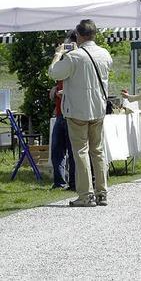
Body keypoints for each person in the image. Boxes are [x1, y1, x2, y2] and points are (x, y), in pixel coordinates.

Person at [49, 19, 113, 207]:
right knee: (98, 151)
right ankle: (102, 193)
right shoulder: (104, 53)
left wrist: (58, 54)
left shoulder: (74, 56)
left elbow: (54, 73)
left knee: (81, 152)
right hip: (98, 108)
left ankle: (86, 195)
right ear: (94, 34)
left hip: (78, 110)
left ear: (78, 35)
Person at [49, 30, 77, 191]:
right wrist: (54, 90)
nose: (65, 47)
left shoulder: (77, 60)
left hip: (71, 111)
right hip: (60, 111)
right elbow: (56, 78)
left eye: (68, 44)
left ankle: (73, 182)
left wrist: (57, 55)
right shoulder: (66, 61)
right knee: (57, 150)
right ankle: (59, 182)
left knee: (73, 151)